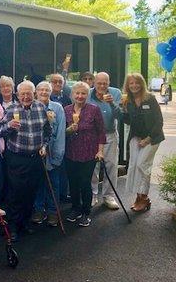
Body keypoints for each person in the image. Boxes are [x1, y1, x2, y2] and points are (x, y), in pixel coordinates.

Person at [0, 80, 51, 241]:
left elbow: (48, 131)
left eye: (29, 93)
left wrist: (44, 146)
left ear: (34, 94)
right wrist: (9, 126)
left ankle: (24, 223)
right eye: (23, 94)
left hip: (35, 158)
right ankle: (13, 227)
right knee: (16, 192)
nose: (26, 97)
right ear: (18, 95)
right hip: (17, 158)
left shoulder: (41, 108)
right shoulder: (11, 109)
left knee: (31, 191)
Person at [64, 82, 105, 227]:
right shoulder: (67, 110)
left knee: (84, 182)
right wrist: (69, 129)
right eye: (77, 93)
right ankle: (75, 208)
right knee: (73, 182)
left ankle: (86, 212)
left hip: (89, 152)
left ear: (87, 95)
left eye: (83, 93)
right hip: (71, 152)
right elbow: (62, 132)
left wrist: (100, 150)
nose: (80, 96)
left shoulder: (94, 109)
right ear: (72, 94)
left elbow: (101, 132)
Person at [121, 73, 165, 212]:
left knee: (142, 165)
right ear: (127, 86)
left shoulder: (150, 98)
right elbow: (128, 120)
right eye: (131, 83)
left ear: (142, 84)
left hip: (152, 138)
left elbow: (159, 121)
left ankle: (144, 198)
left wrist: (148, 139)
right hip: (136, 137)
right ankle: (138, 197)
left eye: (137, 83)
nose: (134, 85)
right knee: (133, 166)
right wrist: (117, 108)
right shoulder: (128, 100)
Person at [31, 81, 66, 227]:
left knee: (53, 183)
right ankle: (38, 209)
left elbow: (60, 133)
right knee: (38, 182)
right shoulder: (31, 107)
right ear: (36, 92)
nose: (44, 92)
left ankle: (53, 211)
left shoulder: (57, 108)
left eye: (47, 90)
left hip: (52, 153)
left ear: (51, 92)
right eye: (41, 90)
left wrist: (58, 155)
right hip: (35, 153)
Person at [88, 72, 122, 210]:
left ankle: (109, 195)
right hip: (92, 136)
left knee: (111, 165)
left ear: (109, 83)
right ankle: (92, 194)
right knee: (92, 166)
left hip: (110, 134)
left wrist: (112, 103)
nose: (102, 86)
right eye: (99, 83)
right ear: (94, 83)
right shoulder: (88, 93)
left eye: (105, 83)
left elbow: (119, 115)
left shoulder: (116, 93)